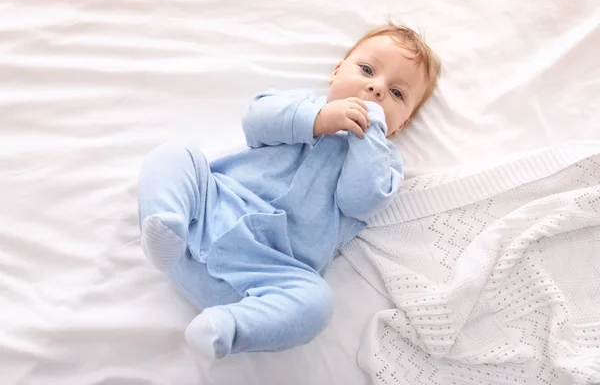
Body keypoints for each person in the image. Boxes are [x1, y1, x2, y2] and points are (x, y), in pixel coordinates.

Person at [137, 22, 441, 359]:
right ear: (337, 72)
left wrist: (370, 136)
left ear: (400, 125)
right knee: (176, 156)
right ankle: (165, 223)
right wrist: (319, 118)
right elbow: (255, 120)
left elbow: (359, 200)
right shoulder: (301, 106)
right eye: (367, 70)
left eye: (397, 94)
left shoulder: (383, 162)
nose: (376, 88)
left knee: (318, 302)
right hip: (208, 212)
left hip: (267, 270)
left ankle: (228, 327)